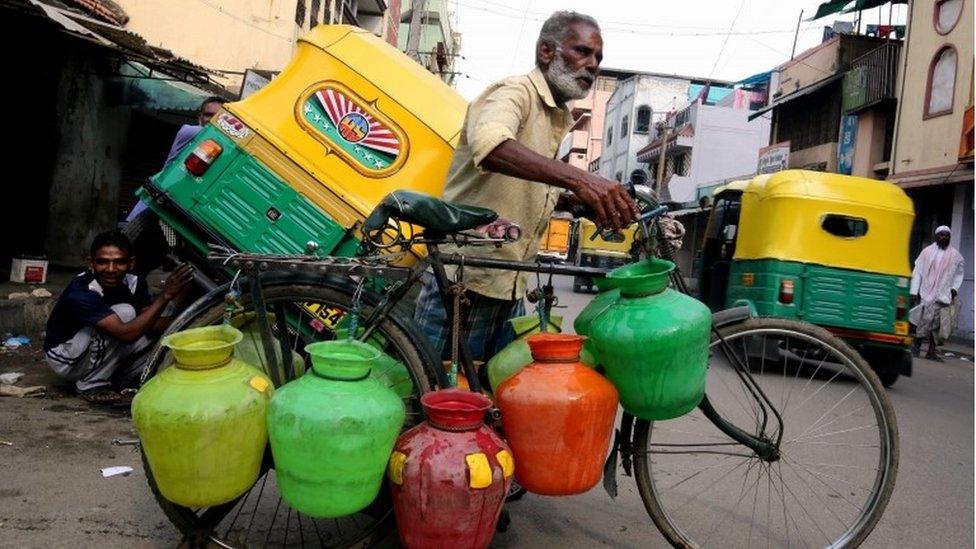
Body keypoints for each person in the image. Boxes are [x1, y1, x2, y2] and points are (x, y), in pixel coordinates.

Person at [414, 11, 639, 362]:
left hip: (510, 284)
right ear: (547, 52)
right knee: (437, 397)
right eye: (582, 51)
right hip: (466, 281)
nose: (592, 65)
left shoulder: (555, 115)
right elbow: (492, 147)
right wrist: (582, 178)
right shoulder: (514, 92)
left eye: (598, 58)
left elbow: (525, 184)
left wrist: (572, 199)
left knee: (498, 399)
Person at [44, 231, 194, 404]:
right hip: (66, 358)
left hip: (95, 352)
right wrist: (165, 295)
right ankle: (92, 384)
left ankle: (117, 380)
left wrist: (191, 323)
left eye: (119, 262)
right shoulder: (82, 291)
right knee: (125, 313)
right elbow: (126, 334)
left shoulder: (134, 282)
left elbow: (150, 323)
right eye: (102, 262)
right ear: (91, 263)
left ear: (131, 263)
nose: (110, 269)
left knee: (157, 337)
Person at [125, 96, 227, 278]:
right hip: (151, 211)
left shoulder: (222, 150)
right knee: (124, 261)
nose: (212, 120)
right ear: (199, 118)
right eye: (208, 115)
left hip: (175, 218)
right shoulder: (188, 132)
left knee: (142, 268)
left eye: (218, 116)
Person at [909, 225, 965, 361]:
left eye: (947, 235)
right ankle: (916, 347)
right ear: (936, 236)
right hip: (927, 293)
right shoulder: (926, 252)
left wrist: (954, 289)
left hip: (943, 295)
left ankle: (931, 352)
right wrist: (914, 291)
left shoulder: (956, 256)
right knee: (924, 321)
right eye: (942, 235)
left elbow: (959, 274)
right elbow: (918, 273)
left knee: (937, 325)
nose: (944, 237)